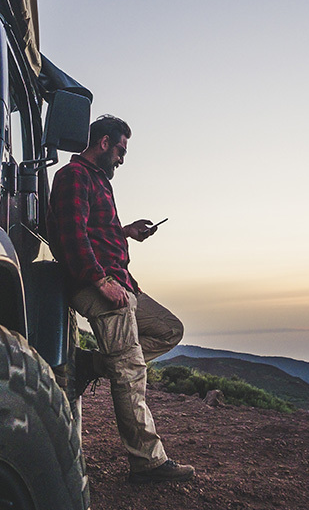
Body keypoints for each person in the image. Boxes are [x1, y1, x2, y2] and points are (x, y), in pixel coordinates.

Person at [47, 115, 196, 483]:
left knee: (169, 330)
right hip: (97, 283)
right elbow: (71, 236)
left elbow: (94, 229)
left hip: (121, 281)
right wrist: (100, 280)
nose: (122, 159)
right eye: (121, 150)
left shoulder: (97, 180)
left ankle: (93, 365)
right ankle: (147, 463)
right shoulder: (73, 176)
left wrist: (126, 231)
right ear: (103, 142)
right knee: (129, 369)